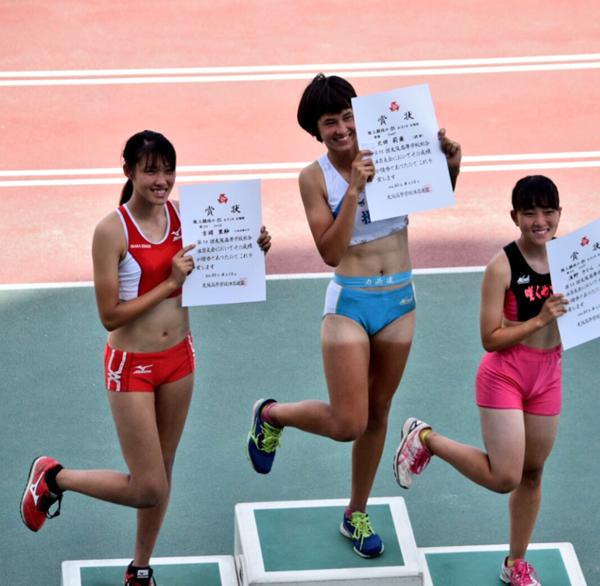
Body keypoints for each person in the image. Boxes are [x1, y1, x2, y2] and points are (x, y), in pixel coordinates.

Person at [20, 130, 272, 586]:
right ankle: (55, 478)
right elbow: (109, 316)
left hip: (179, 359)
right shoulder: (111, 231)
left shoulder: (187, 217)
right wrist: (170, 284)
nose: (161, 180)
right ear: (129, 172)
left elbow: (220, 264)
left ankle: (139, 568)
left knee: (164, 470)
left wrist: (250, 247)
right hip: (131, 366)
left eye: (168, 170)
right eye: (151, 170)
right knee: (149, 486)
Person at [247, 74, 461, 558]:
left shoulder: (389, 150)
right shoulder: (313, 178)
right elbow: (329, 251)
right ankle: (272, 414)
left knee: (379, 412)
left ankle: (356, 513)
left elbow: (434, 189)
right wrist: (355, 191)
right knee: (348, 422)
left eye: (348, 117)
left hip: (399, 300)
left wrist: (450, 162)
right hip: (350, 302)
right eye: (330, 122)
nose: (342, 128)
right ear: (316, 130)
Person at [393, 175, 567, 585]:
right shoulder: (501, 266)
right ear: (514, 216)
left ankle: (515, 563)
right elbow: (490, 338)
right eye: (529, 213)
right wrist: (540, 319)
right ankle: (425, 439)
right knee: (506, 477)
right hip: (505, 375)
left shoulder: (573, 260)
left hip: (549, 374)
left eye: (548, 212)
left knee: (532, 473)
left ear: (560, 214)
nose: (540, 221)